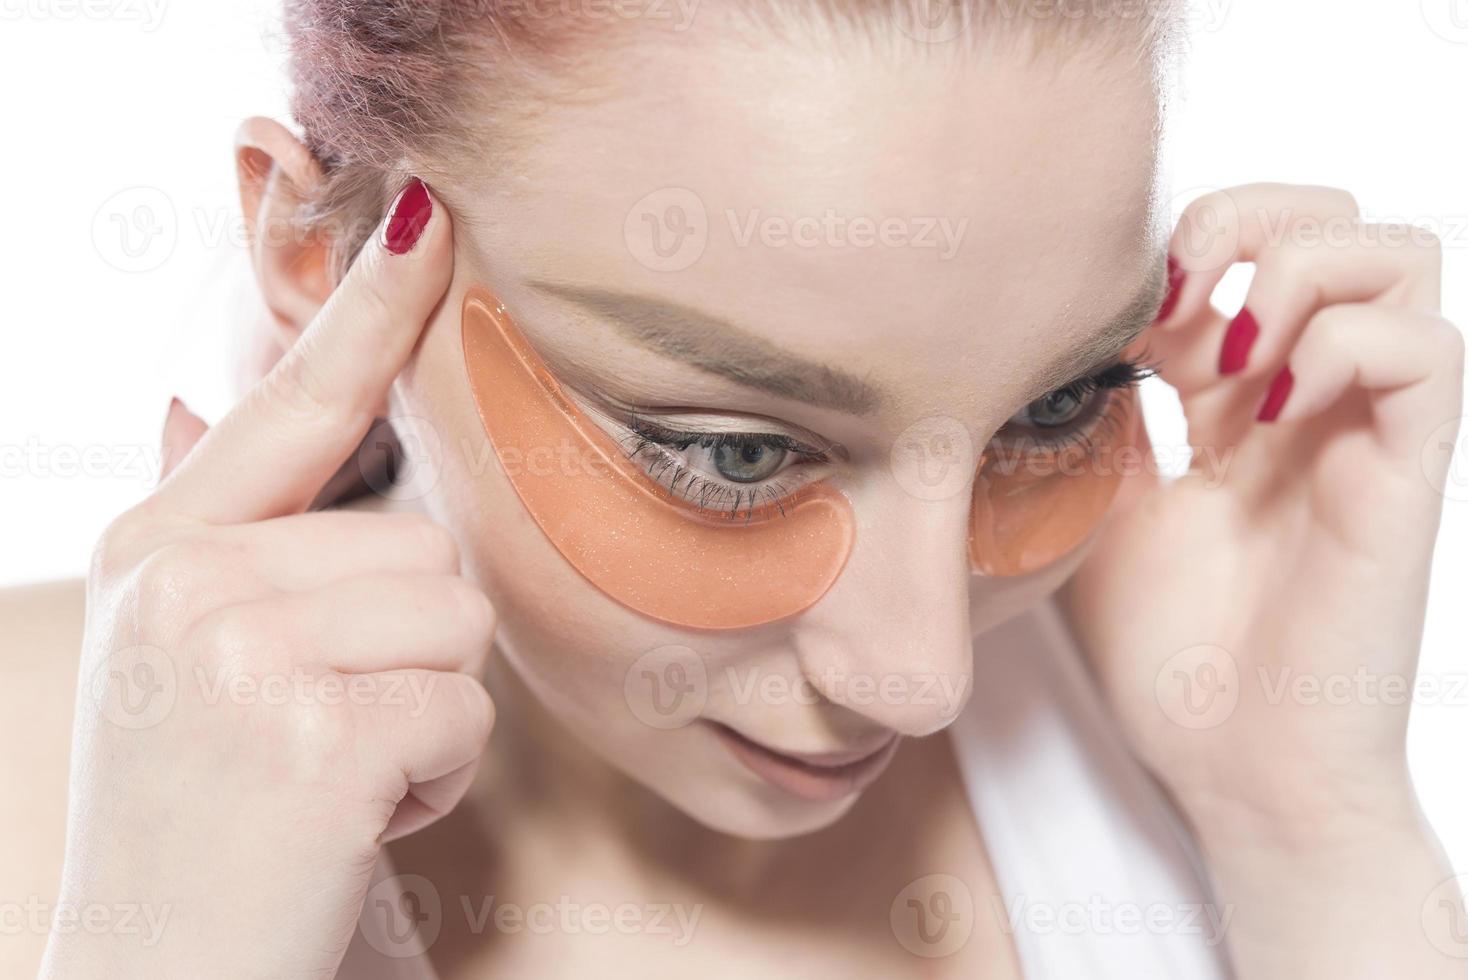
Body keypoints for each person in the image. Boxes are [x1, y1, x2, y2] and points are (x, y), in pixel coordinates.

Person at [7, 2, 1465, 977]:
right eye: (736, 453)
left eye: (1056, 404)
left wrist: (1312, 826)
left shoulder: (1158, 720)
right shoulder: (40, 794)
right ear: (319, 265)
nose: (923, 678)